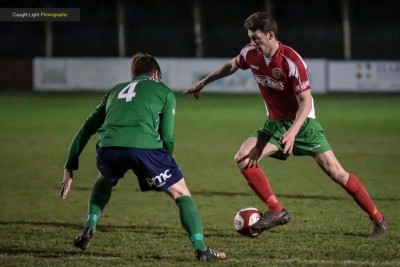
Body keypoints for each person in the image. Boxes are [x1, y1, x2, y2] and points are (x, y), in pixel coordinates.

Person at [184, 12, 387, 237]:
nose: (252, 42)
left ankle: (378, 218)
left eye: (256, 38)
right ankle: (277, 210)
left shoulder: (291, 61)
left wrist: (292, 132)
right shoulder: (250, 53)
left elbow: (306, 100)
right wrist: (204, 81)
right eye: (250, 37)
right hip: (274, 124)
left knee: (337, 173)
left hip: (303, 124)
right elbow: (232, 65)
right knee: (243, 158)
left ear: (270, 35)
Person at [59, 52, 227, 261]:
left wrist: (69, 166)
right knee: (181, 193)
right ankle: (201, 248)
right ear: (156, 73)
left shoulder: (115, 90)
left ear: (134, 74)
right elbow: (167, 136)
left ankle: (89, 226)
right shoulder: (164, 92)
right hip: (145, 149)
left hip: (109, 147)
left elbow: (86, 128)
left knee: (105, 179)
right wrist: (166, 162)